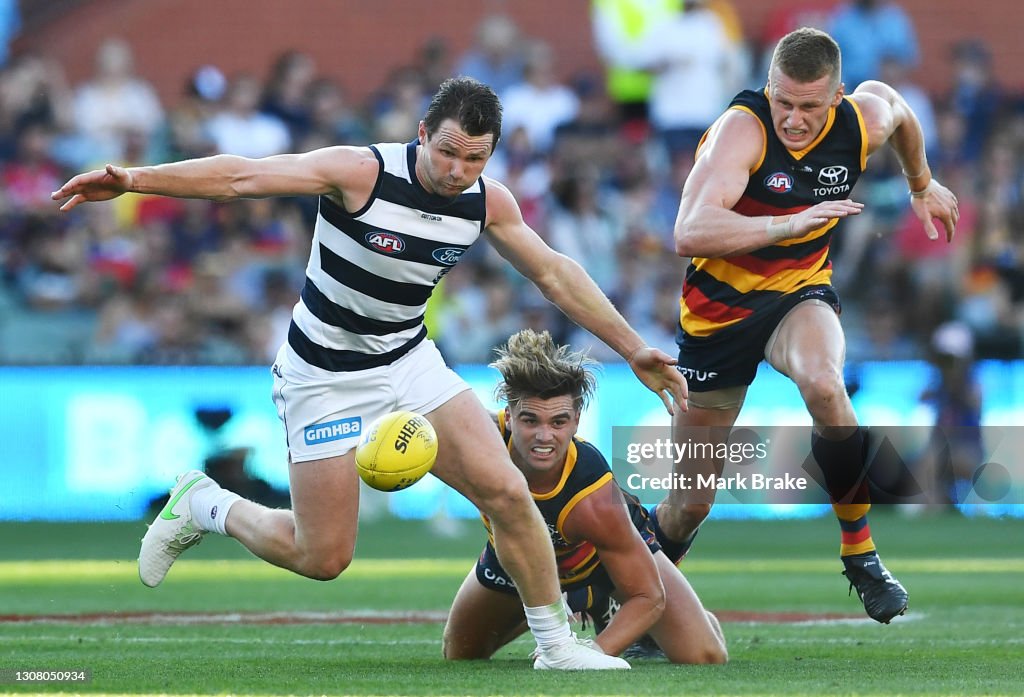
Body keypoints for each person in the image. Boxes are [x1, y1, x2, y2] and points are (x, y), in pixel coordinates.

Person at [52, 76, 688, 670]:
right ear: (421, 134)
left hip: (408, 361)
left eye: (476, 159)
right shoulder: (360, 172)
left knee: (507, 492)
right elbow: (243, 177)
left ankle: (556, 647)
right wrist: (134, 179)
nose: (459, 171)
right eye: (448, 153)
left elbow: (553, 272)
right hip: (321, 374)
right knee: (323, 556)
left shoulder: (486, 202)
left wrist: (632, 347)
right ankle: (206, 503)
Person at [653, 27, 958, 624]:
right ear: (768, 88)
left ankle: (861, 553)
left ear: (838, 96)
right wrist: (787, 226)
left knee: (824, 382)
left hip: (799, 294)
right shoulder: (741, 130)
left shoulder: (859, 119)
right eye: (782, 101)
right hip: (717, 315)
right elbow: (688, 232)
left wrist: (922, 183)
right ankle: (640, 596)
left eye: (809, 106)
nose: (792, 119)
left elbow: (897, 111)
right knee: (689, 504)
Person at [443, 329, 726, 664]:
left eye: (559, 421)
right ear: (509, 415)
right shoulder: (480, 438)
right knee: (460, 654)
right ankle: (556, 605)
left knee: (706, 655)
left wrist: (589, 652)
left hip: (601, 566)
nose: (544, 436)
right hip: (517, 561)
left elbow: (648, 596)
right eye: (530, 420)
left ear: (577, 421)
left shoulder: (593, 496)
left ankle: (602, 601)